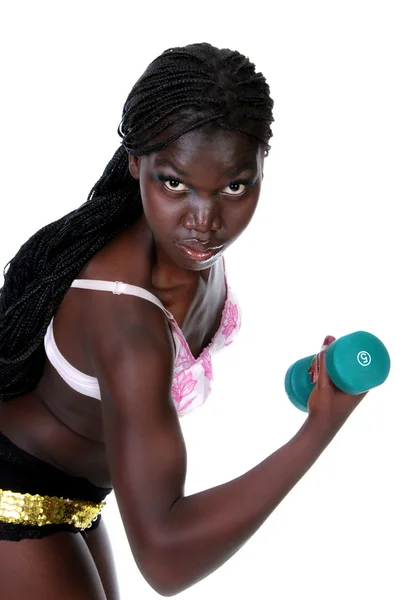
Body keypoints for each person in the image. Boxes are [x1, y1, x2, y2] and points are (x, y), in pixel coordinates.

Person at [0, 42, 366, 599]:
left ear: (261, 165)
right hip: (13, 490)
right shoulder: (125, 318)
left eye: (234, 186)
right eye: (174, 184)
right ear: (135, 164)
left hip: (75, 494)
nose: (205, 222)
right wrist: (318, 430)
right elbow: (167, 560)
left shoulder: (183, 245)